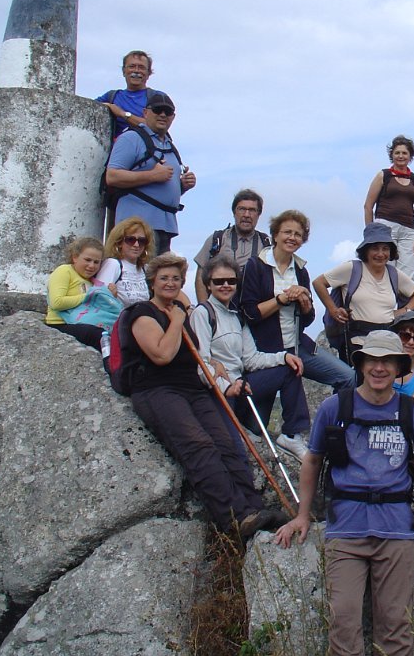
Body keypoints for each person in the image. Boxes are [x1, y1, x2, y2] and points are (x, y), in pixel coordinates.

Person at [275, 331, 414, 656]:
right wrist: (302, 515)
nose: (379, 368)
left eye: (387, 361)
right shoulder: (334, 407)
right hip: (346, 531)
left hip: (396, 531)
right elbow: (312, 460)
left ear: (399, 365)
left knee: (395, 630)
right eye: (373, 360)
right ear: (361, 363)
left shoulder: (410, 412)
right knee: (343, 626)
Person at [129, 252, 284, 541]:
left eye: (176, 278)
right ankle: (234, 519)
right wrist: (176, 318)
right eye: (164, 278)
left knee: (227, 444)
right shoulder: (143, 313)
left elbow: (199, 353)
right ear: (152, 281)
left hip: (192, 387)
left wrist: (214, 365)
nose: (171, 283)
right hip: (158, 390)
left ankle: (254, 509)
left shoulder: (188, 313)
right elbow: (161, 354)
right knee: (199, 446)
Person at [190, 255, 311, 462]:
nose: (225, 285)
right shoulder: (203, 313)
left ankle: (291, 434)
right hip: (220, 392)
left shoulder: (236, 315)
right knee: (235, 447)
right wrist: (226, 386)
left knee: (289, 369)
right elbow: (201, 363)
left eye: (231, 280)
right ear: (208, 285)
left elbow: (251, 359)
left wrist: (284, 356)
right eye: (218, 282)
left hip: (241, 385)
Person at [240, 209, 355, 392]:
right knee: (261, 410)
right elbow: (250, 314)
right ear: (275, 235)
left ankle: (336, 418)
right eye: (287, 232)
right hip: (265, 348)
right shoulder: (256, 266)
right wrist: (282, 299)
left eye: (298, 235)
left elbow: (307, 320)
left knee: (348, 377)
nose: (292, 238)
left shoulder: (300, 270)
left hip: (297, 345)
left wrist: (305, 305)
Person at [314, 222, 414, 363]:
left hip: (387, 343)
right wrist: (333, 310)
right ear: (366, 250)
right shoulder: (352, 269)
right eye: (375, 248)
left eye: (385, 249)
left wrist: (404, 310)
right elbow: (319, 283)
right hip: (357, 343)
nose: (380, 254)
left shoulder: (393, 274)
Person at [104, 91, 196, 253]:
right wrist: (152, 175)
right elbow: (112, 176)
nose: (162, 115)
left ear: (173, 117)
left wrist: (182, 186)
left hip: (164, 227)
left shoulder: (169, 144)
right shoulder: (131, 138)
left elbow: (161, 187)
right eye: (157, 110)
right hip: (136, 230)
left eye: (167, 112)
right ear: (145, 113)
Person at [193, 189, 272, 303]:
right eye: (242, 209)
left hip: (255, 312)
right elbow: (200, 277)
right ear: (234, 212)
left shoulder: (267, 244)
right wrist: (205, 311)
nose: (246, 215)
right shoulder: (217, 240)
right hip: (219, 309)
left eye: (252, 210)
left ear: (258, 214)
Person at [364, 134, 414, 278]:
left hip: (408, 230)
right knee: (384, 270)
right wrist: (371, 233)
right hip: (385, 226)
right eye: (397, 153)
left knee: (408, 275)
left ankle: (406, 300)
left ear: (410, 156)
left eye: (404, 153)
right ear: (392, 155)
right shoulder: (383, 175)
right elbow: (368, 206)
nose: (401, 156)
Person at [45, 236, 106, 348]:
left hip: (83, 322)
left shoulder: (92, 281)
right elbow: (56, 302)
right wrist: (88, 296)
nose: (92, 266)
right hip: (61, 323)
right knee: (99, 335)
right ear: (75, 257)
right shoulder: (65, 271)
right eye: (87, 260)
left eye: (96, 262)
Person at [95, 50, 160, 140]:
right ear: (124, 71)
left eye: (141, 67)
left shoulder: (158, 98)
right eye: (132, 66)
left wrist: (122, 114)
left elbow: (156, 127)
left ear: (149, 73)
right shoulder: (111, 96)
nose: (136, 71)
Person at [94, 216, 155, 306]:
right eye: (131, 240)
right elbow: (98, 298)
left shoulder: (146, 269)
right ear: (119, 242)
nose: (136, 245)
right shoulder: (113, 264)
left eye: (142, 241)